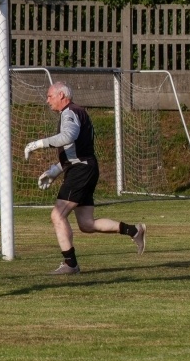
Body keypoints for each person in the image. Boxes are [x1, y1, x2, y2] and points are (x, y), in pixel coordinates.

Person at [24, 81, 147, 274]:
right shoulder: (76, 112)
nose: (47, 100)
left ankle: (70, 264)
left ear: (62, 96)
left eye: (50, 96)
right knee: (87, 224)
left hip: (81, 170)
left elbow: (68, 137)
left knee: (57, 215)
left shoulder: (69, 112)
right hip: (85, 167)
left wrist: (37, 144)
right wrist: (56, 171)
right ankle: (134, 230)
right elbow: (76, 149)